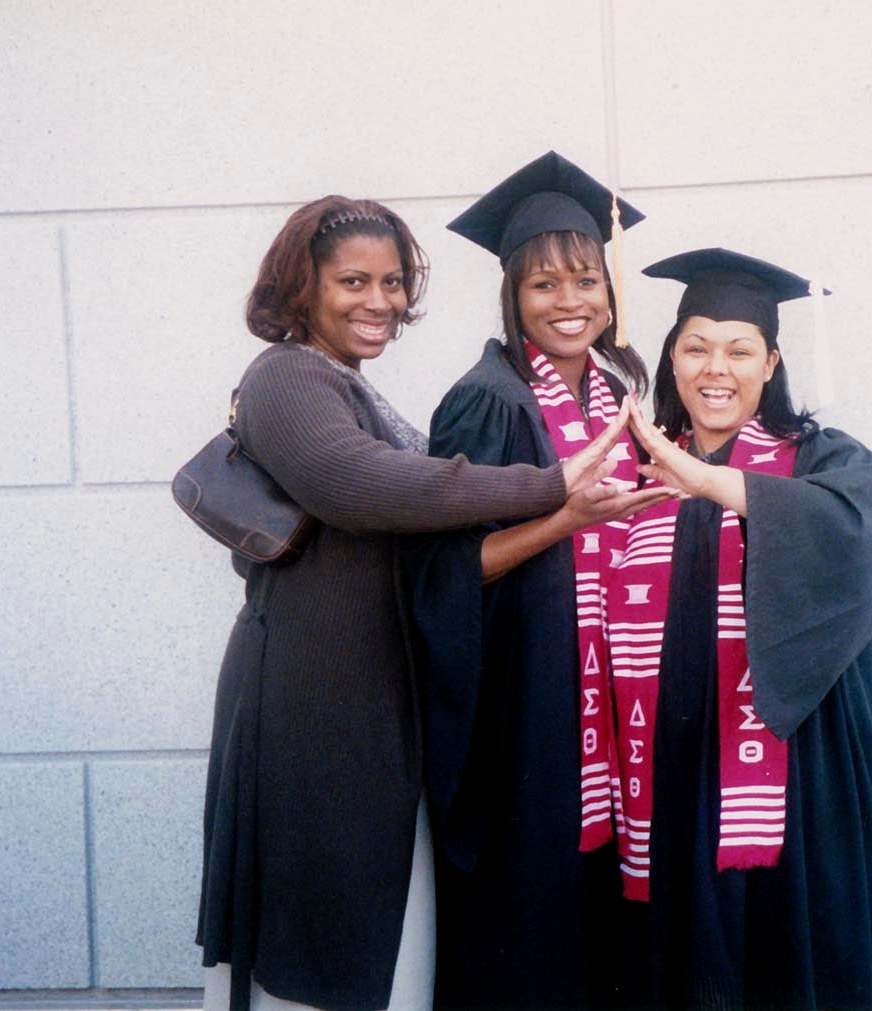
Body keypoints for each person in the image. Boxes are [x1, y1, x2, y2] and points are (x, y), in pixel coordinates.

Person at [195, 195, 627, 1011]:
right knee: (318, 938)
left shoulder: (347, 384)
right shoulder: (284, 376)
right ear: (303, 285)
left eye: (392, 282)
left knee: (370, 938)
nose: (380, 300)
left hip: (369, 694)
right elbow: (364, 485)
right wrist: (548, 487)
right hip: (313, 701)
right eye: (353, 281)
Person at [406, 152, 674, 1009]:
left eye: (586, 280)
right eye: (544, 284)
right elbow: (444, 572)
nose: (569, 302)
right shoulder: (489, 399)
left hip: (607, 706)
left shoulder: (618, 393)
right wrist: (566, 519)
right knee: (530, 933)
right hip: (526, 714)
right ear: (512, 295)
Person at [611, 247, 872, 1009]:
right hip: (669, 772)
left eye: (739, 350)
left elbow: (851, 529)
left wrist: (709, 481)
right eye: (696, 347)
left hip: (790, 781)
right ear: (672, 359)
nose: (717, 368)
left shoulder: (822, 460)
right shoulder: (636, 475)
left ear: (771, 363)